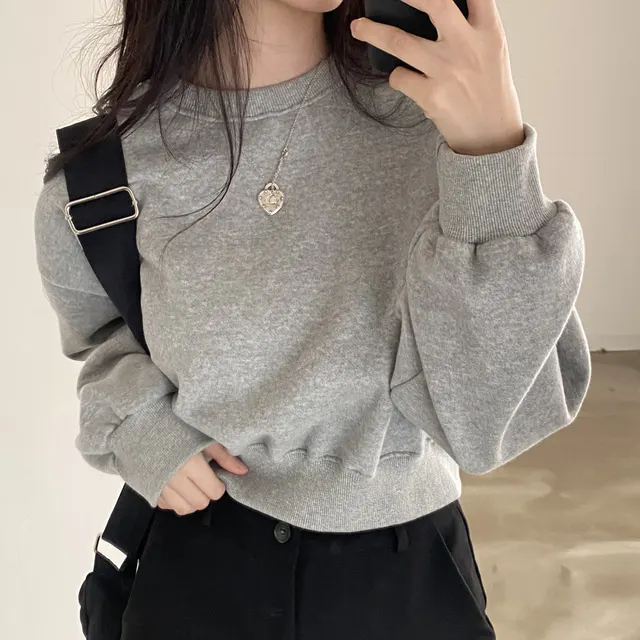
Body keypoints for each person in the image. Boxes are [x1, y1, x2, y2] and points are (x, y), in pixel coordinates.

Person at [34, 0, 591, 638]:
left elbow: (491, 418)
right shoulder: (104, 178)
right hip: (199, 557)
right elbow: (105, 337)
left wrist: (492, 154)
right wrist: (141, 427)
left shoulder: (435, 122)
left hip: (404, 575)